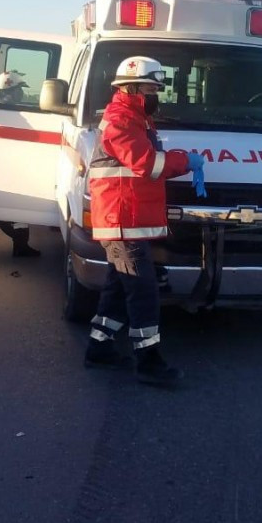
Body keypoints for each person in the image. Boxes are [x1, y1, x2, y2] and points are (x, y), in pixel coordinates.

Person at [83, 56, 205, 386]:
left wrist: (182, 160)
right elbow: (146, 163)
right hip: (121, 219)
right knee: (143, 291)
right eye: (152, 89)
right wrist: (187, 161)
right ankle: (149, 362)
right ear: (132, 88)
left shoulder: (136, 120)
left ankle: (99, 346)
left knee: (117, 286)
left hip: (127, 218)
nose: (156, 96)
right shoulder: (122, 119)